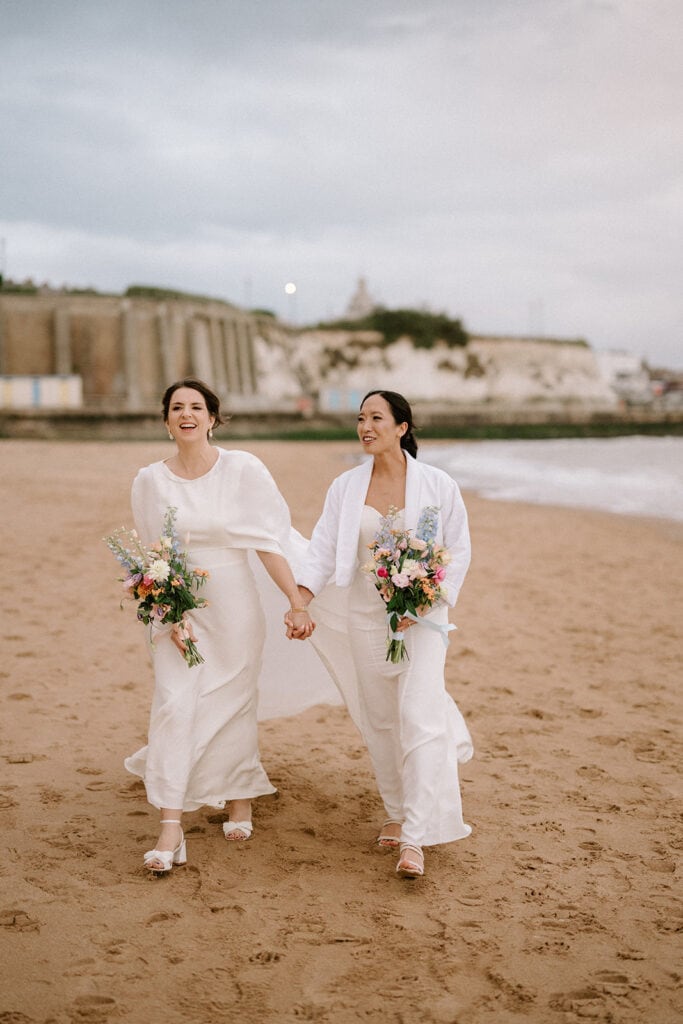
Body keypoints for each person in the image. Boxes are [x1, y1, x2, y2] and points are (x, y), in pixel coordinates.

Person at [124, 377, 314, 875]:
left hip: (234, 603)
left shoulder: (243, 469)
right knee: (174, 703)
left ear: (213, 417)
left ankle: (239, 795)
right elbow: (150, 555)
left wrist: (296, 600)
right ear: (166, 421)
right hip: (176, 607)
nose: (187, 414)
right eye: (176, 407)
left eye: (197, 407)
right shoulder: (149, 480)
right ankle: (170, 825)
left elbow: (269, 541)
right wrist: (168, 609)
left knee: (233, 697)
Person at [290, 390, 473, 879]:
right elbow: (325, 547)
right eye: (360, 418)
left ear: (402, 427)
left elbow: (456, 549)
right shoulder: (346, 487)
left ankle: (416, 837)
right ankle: (396, 809)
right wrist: (300, 598)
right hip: (365, 615)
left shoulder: (437, 485)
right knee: (380, 720)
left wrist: (429, 599)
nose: (365, 426)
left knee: (418, 714)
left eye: (376, 418)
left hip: (424, 619)